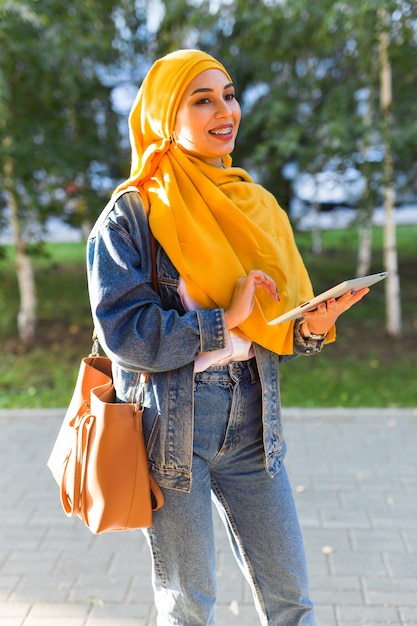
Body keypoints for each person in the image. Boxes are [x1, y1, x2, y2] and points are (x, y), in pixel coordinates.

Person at [87, 49, 369, 626]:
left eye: (230, 95)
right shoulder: (132, 215)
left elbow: (276, 321)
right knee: (189, 606)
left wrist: (312, 327)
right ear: (167, 114)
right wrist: (223, 320)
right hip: (172, 426)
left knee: (292, 601)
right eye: (203, 99)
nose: (226, 110)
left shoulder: (256, 205)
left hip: (255, 420)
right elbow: (125, 333)